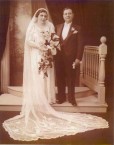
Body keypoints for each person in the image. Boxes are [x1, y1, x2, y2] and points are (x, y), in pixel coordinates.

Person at [2, 8, 108, 141]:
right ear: (38, 16)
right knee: (45, 77)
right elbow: (29, 41)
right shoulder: (49, 26)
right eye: (41, 15)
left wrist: (73, 57)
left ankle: (67, 98)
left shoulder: (59, 27)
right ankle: (49, 97)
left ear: (72, 15)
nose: (43, 17)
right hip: (42, 55)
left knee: (61, 78)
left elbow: (64, 41)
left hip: (56, 55)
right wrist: (39, 46)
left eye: (45, 15)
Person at [55, 7, 84, 106]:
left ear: (73, 15)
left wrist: (78, 58)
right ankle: (61, 98)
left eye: (69, 13)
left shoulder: (77, 28)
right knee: (59, 77)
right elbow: (54, 41)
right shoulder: (58, 27)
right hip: (58, 57)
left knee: (71, 78)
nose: (67, 15)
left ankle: (72, 99)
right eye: (65, 14)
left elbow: (80, 44)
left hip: (71, 57)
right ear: (63, 16)